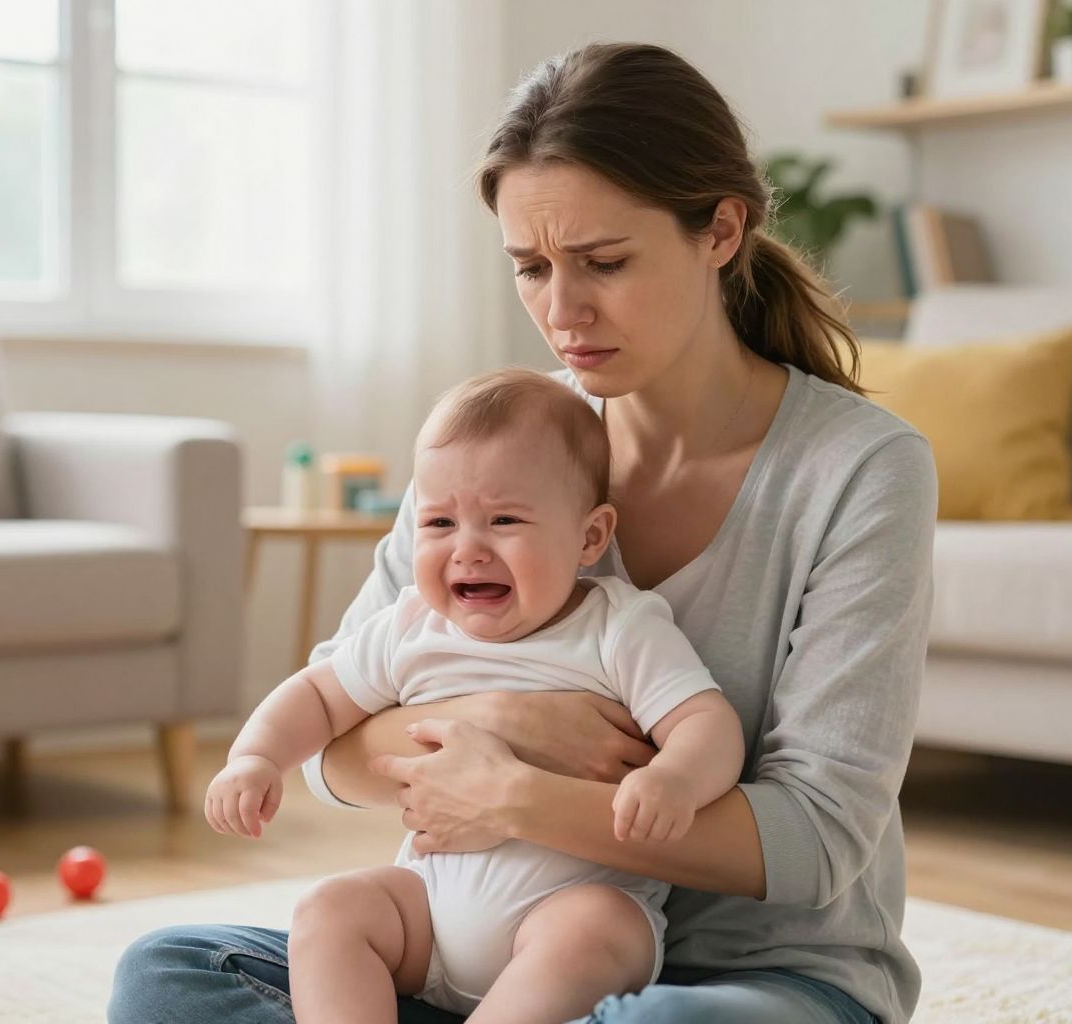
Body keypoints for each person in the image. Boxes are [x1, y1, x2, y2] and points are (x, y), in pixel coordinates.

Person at [110, 40, 936, 1024]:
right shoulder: (507, 444)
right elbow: (334, 755)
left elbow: (818, 841)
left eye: (604, 262)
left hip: (754, 983)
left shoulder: (857, 469)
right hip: (488, 972)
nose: (562, 311)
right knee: (171, 970)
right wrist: (491, 727)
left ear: (721, 229)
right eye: (531, 267)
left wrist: (520, 796)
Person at [203, 368, 745, 1023]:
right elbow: (317, 696)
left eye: (504, 519)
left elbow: (704, 721)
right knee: (326, 912)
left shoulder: (618, 627)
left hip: (567, 906)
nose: (468, 550)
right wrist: (255, 758)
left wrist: (676, 780)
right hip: (428, 914)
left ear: (589, 537)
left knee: (595, 931)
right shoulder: (409, 626)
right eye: (438, 522)